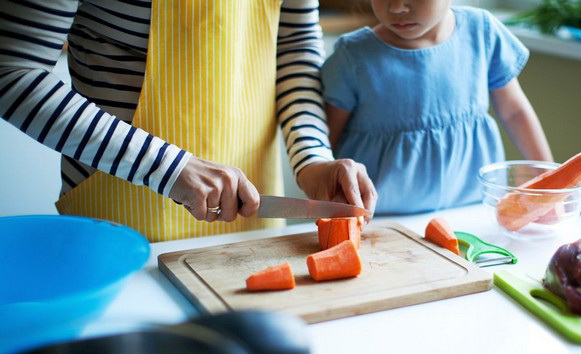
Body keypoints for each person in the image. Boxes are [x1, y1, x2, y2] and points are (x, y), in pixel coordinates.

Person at [0, 0, 377, 242]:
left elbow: (293, 46)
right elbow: (12, 70)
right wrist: (167, 166)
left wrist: (313, 156)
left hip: (249, 224)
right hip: (117, 223)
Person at [321, 0, 581, 215]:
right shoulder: (353, 55)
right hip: (378, 216)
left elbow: (515, 112)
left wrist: (555, 187)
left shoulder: (481, 31)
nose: (396, 7)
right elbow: (325, 141)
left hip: (469, 210)